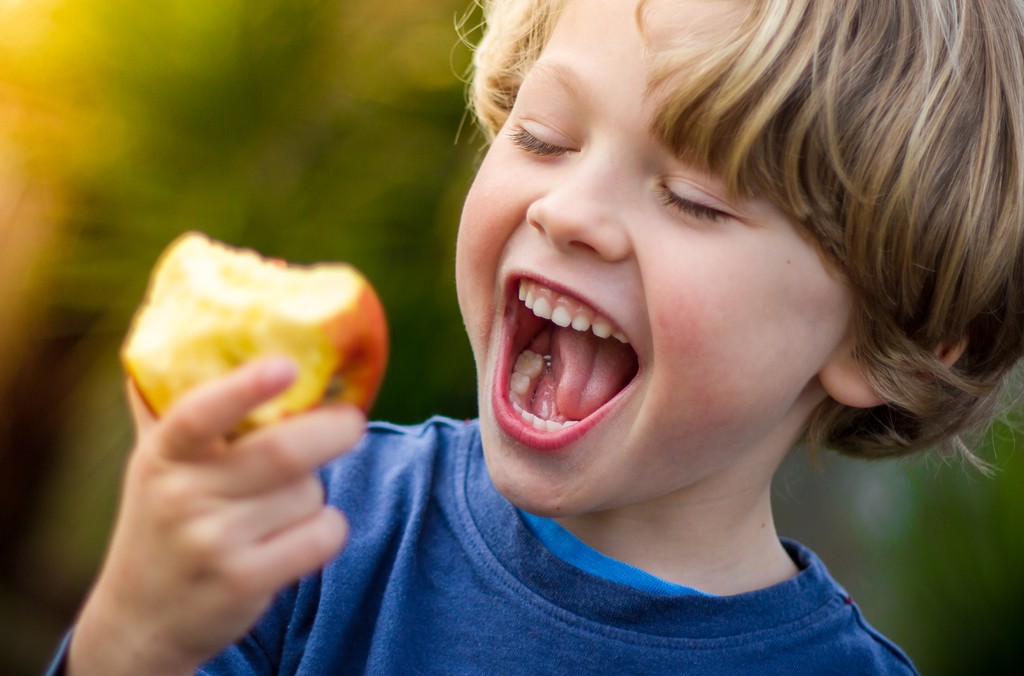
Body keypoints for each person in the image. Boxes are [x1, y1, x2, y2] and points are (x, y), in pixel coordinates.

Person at [51, 0, 1024, 673]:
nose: (568, 211)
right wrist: (132, 642)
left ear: (898, 327)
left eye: (695, 199)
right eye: (543, 136)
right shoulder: (307, 535)